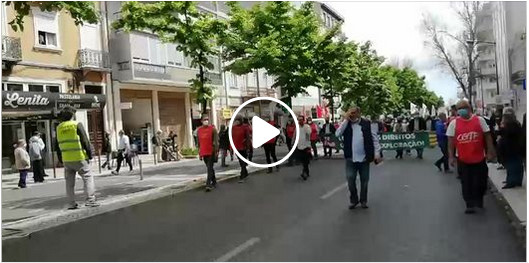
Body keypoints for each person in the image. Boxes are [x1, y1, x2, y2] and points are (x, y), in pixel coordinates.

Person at [447, 100, 496, 214]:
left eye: (463, 107)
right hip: (463, 159)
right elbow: (450, 142)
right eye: (459, 108)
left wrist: (490, 151)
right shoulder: (454, 123)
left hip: (479, 157)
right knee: (466, 182)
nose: (461, 110)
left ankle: (479, 199)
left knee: (481, 181)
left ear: (469, 108)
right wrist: (451, 157)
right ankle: (469, 204)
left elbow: (487, 136)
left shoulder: (479, 120)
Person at [336, 106, 381, 209]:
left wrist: (377, 153)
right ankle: (354, 199)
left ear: (358, 113)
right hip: (350, 158)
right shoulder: (346, 124)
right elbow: (337, 134)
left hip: (364, 158)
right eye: (350, 113)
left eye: (354, 113)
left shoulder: (367, 124)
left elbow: (375, 139)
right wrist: (345, 120)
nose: (352, 115)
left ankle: (363, 200)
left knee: (364, 181)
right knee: (350, 179)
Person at [55, 106, 98, 209]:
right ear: (72, 115)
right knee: (87, 178)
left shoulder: (59, 127)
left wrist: (60, 159)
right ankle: (90, 200)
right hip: (80, 157)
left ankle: (71, 203)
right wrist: (90, 155)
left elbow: (56, 145)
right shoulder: (76, 124)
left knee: (69, 183)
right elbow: (85, 141)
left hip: (66, 159)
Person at [497, 111, 524, 188]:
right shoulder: (516, 125)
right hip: (516, 149)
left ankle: (511, 181)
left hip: (510, 149)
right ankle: (517, 180)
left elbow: (505, 137)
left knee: (511, 166)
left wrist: (501, 128)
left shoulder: (509, 127)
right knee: (517, 166)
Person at [197, 115, 219, 191]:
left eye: (207, 119)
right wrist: (199, 153)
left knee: (209, 167)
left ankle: (208, 184)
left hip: (211, 151)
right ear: (201, 121)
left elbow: (216, 141)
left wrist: (216, 151)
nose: (206, 121)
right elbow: (199, 143)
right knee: (209, 167)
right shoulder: (199, 130)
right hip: (203, 152)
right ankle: (214, 181)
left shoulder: (213, 129)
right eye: (204, 119)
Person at [232, 116, 250, 183]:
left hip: (243, 147)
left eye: (238, 120)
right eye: (236, 120)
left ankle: (242, 176)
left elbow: (247, 137)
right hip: (236, 147)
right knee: (241, 162)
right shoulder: (233, 128)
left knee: (242, 162)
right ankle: (245, 173)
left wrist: (248, 147)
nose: (237, 121)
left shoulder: (245, 127)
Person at [296, 115, 312, 180]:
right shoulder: (297, 128)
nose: (300, 121)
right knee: (303, 161)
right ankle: (306, 171)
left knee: (306, 160)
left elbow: (309, 133)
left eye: (301, 120)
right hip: (299, 146)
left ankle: (304, 172)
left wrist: (305, 128)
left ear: (303, 120)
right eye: (299, 120)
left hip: (306, 146)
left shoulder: (307, 127)